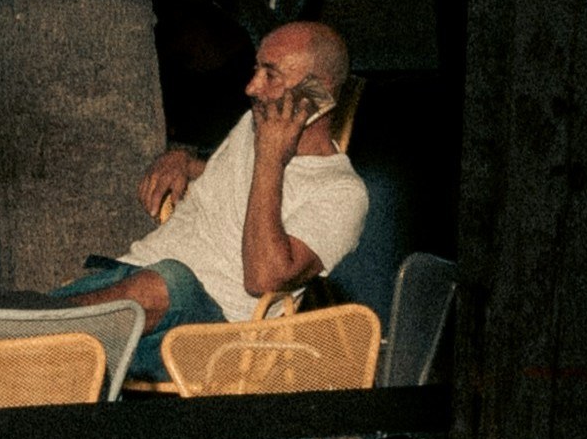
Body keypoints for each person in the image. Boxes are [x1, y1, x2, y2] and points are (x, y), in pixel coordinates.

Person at [53, 21, 369, 375]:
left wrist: (270, 160)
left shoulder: (341, 193)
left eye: (271, 75)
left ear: (318, 91)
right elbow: (228, 179)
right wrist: (186, 161)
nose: (252, 87)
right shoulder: (254, 124)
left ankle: (29, 333)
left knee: (169, 281)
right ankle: (22, 334)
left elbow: (263, 278)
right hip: (133, 284)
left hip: (214, 337)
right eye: (256, 70)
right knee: (42, 321)